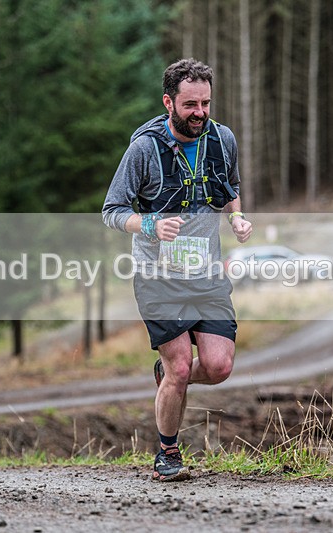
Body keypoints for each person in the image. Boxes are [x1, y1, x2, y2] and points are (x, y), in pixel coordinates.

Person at [102, 58, 252, 481]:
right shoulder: (143, 150)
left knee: (219, 367)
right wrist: (150, 223)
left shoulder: (222, 139)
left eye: (205, 103)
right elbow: (112, 211)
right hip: (158, 277)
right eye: (190, 105)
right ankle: (168, 453)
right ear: (168, 102)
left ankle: (166, 375)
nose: (200, 112)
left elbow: (231, 187)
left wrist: (237, 218)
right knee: (182, 367)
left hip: (206, 275)